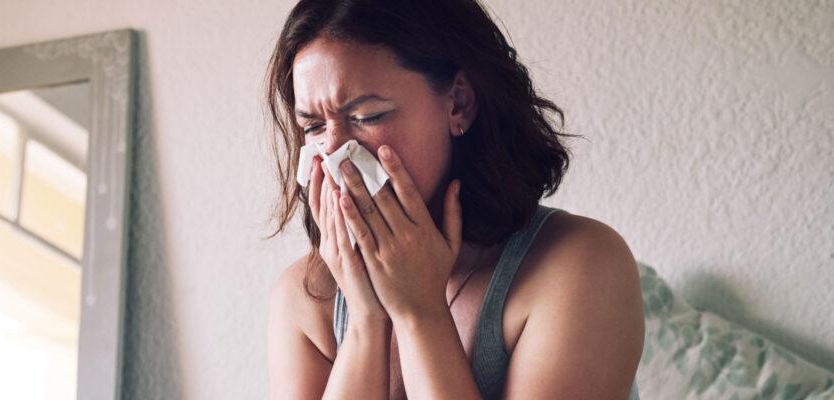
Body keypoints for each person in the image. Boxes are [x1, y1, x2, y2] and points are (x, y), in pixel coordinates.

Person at [264, 0, 645, 398]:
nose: (336, 153)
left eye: (368, 117)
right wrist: (365, 322)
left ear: (459, 103)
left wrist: (419, 313)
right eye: (313, 126)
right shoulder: (306, 297)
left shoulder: (579, 265)